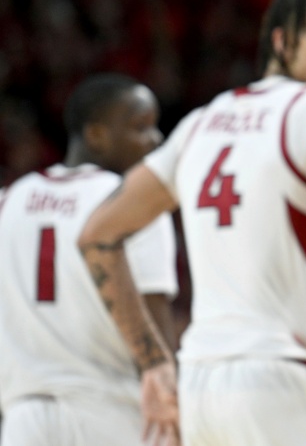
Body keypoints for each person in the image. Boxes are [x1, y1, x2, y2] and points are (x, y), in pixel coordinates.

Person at [78, 0, 306, 445]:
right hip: (282, 371)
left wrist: (154, 364)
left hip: (202, 386)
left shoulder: (201, 123)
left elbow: (97, 234)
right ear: (282, 40)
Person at [0, 73, 178, 445]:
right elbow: (153, 315)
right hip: (114, 412)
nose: (156, 140)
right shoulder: (130, 204)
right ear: (96, 135)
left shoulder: (9, 200)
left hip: (24, 417)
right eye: (140, 127)